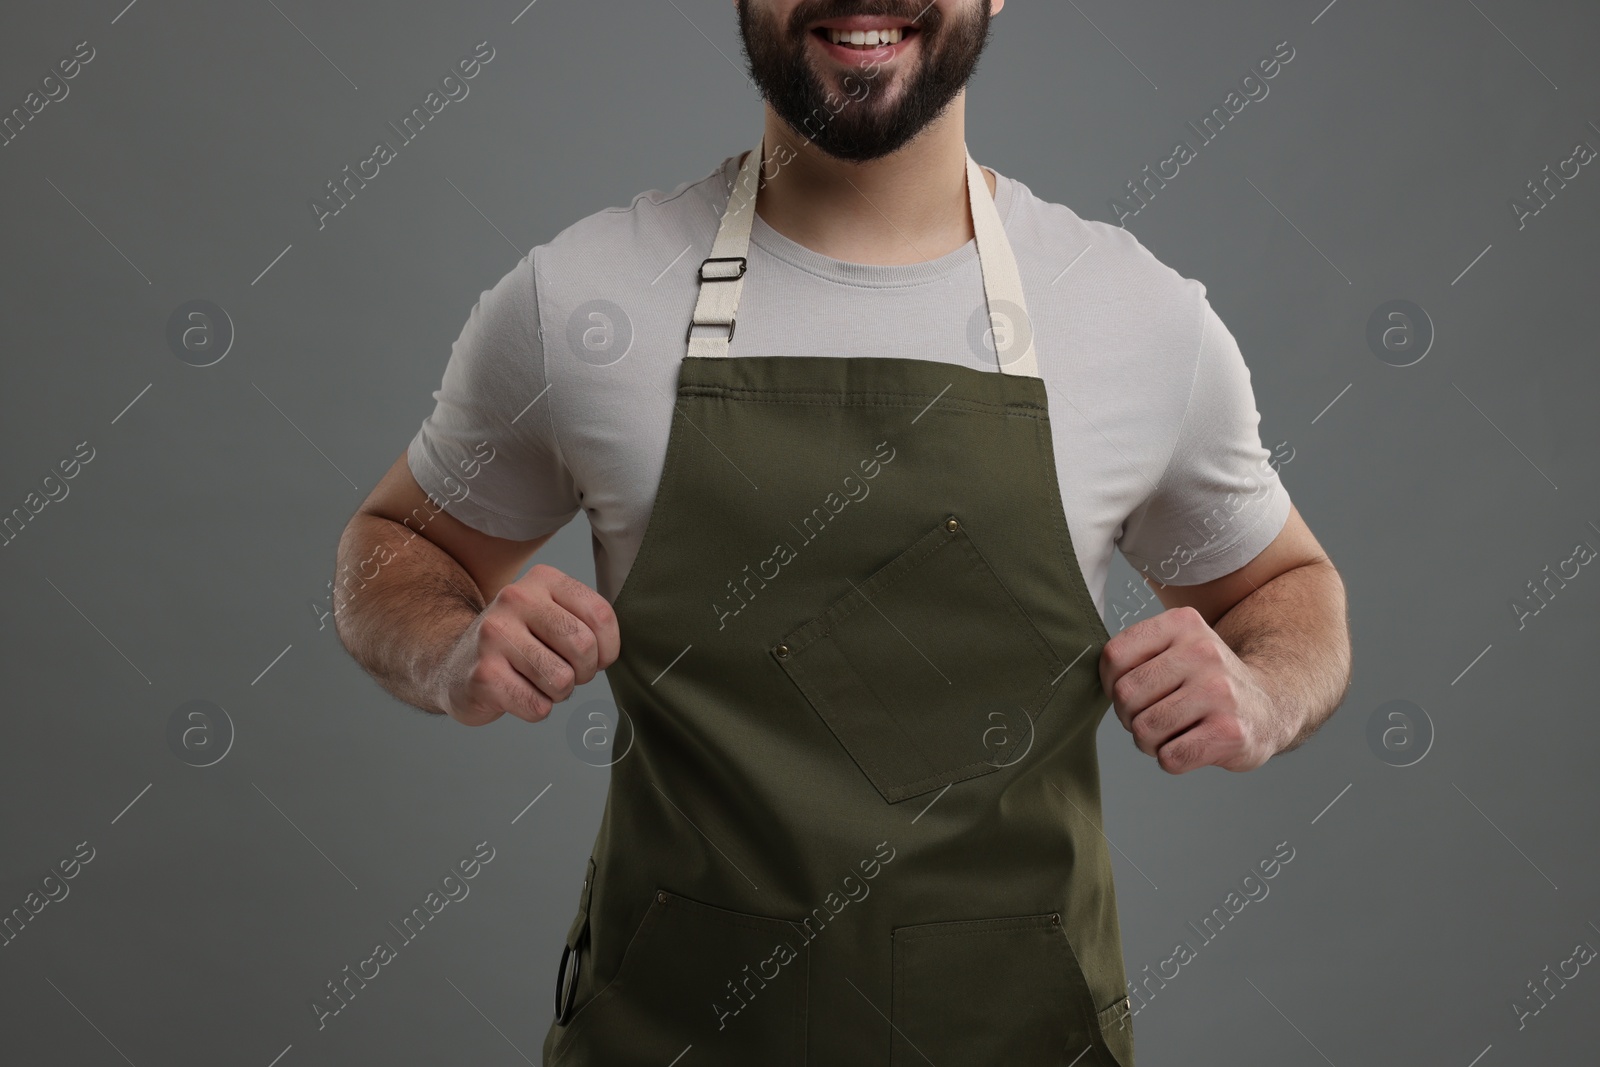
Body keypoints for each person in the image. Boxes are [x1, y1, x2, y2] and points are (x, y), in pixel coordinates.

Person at [334, 2, 1352, 1063]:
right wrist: (451, 649)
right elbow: (395, 543)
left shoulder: (1138, 319)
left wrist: (1264, 688)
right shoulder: (583, 300)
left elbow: (1286, 584)